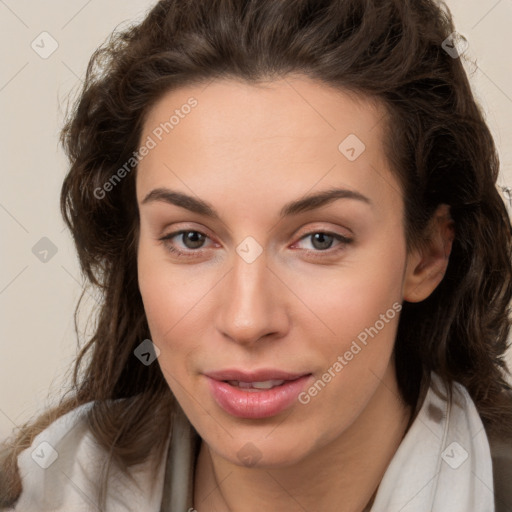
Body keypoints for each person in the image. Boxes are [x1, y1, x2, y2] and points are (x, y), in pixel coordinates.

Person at [2, 0, 512, 510]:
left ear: (426, 254)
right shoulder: (40, 492)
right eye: (191, 238)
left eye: (320, 239)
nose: (247, 321)